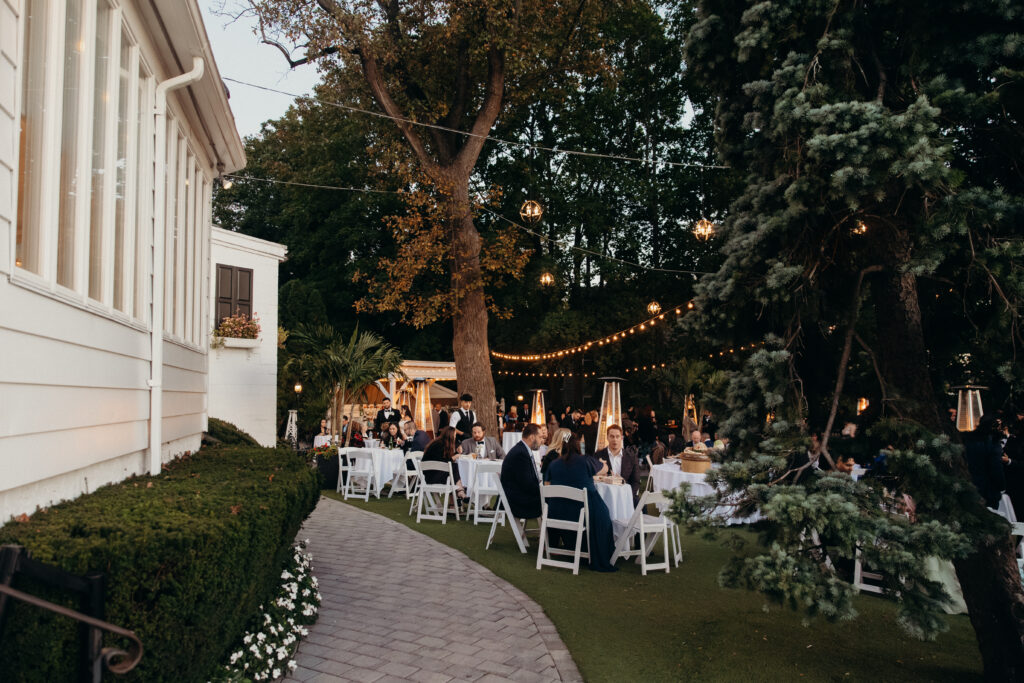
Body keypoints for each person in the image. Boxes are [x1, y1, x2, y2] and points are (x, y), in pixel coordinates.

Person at [544, 433, 618, 572]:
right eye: (582, 442)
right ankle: (594, 551)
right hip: (580, 514)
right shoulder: (585, 461)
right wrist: (603, 464)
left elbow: (547, 486)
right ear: (578, 445)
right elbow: (605, 469)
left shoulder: (554, 464)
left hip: (557, 513)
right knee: (603, 514)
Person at [500, 423, 544, 520]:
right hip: (518, 502)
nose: (542, 440)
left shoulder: (522, 449)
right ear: (532, 437)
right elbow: (527, 484)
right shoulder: (520, 454)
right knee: (553, 501)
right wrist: (544, 491)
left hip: (519, 496)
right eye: (540, 437)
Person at [965, 415, 1007, 508]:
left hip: (970, 482)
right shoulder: (993, 443)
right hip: (988, 488)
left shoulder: (969, 439)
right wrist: (1001, 486)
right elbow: (996, 467)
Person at [593, 424, 641, 504]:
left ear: (622, 438)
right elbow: (593, 478)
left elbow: (636, 482)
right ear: (607, 437)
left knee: (640, 505)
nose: (614, 439)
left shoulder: (631, 457)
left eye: (617, 436)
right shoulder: (598, 455)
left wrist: (626, 494)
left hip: (626, 496)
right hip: (604, 496)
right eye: (612, 436)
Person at [422, 427, 468, 504]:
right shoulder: (440, 446)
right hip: (431, 478)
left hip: (429, 476)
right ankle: (461, 493)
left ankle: (455, 501)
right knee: (454, 469)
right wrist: (454, 457)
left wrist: (457, 449)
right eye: (454, 435)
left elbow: (443, 461)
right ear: (450, 436)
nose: (455, 437)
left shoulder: (438, 443)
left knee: (453, 473)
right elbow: (443, 463)